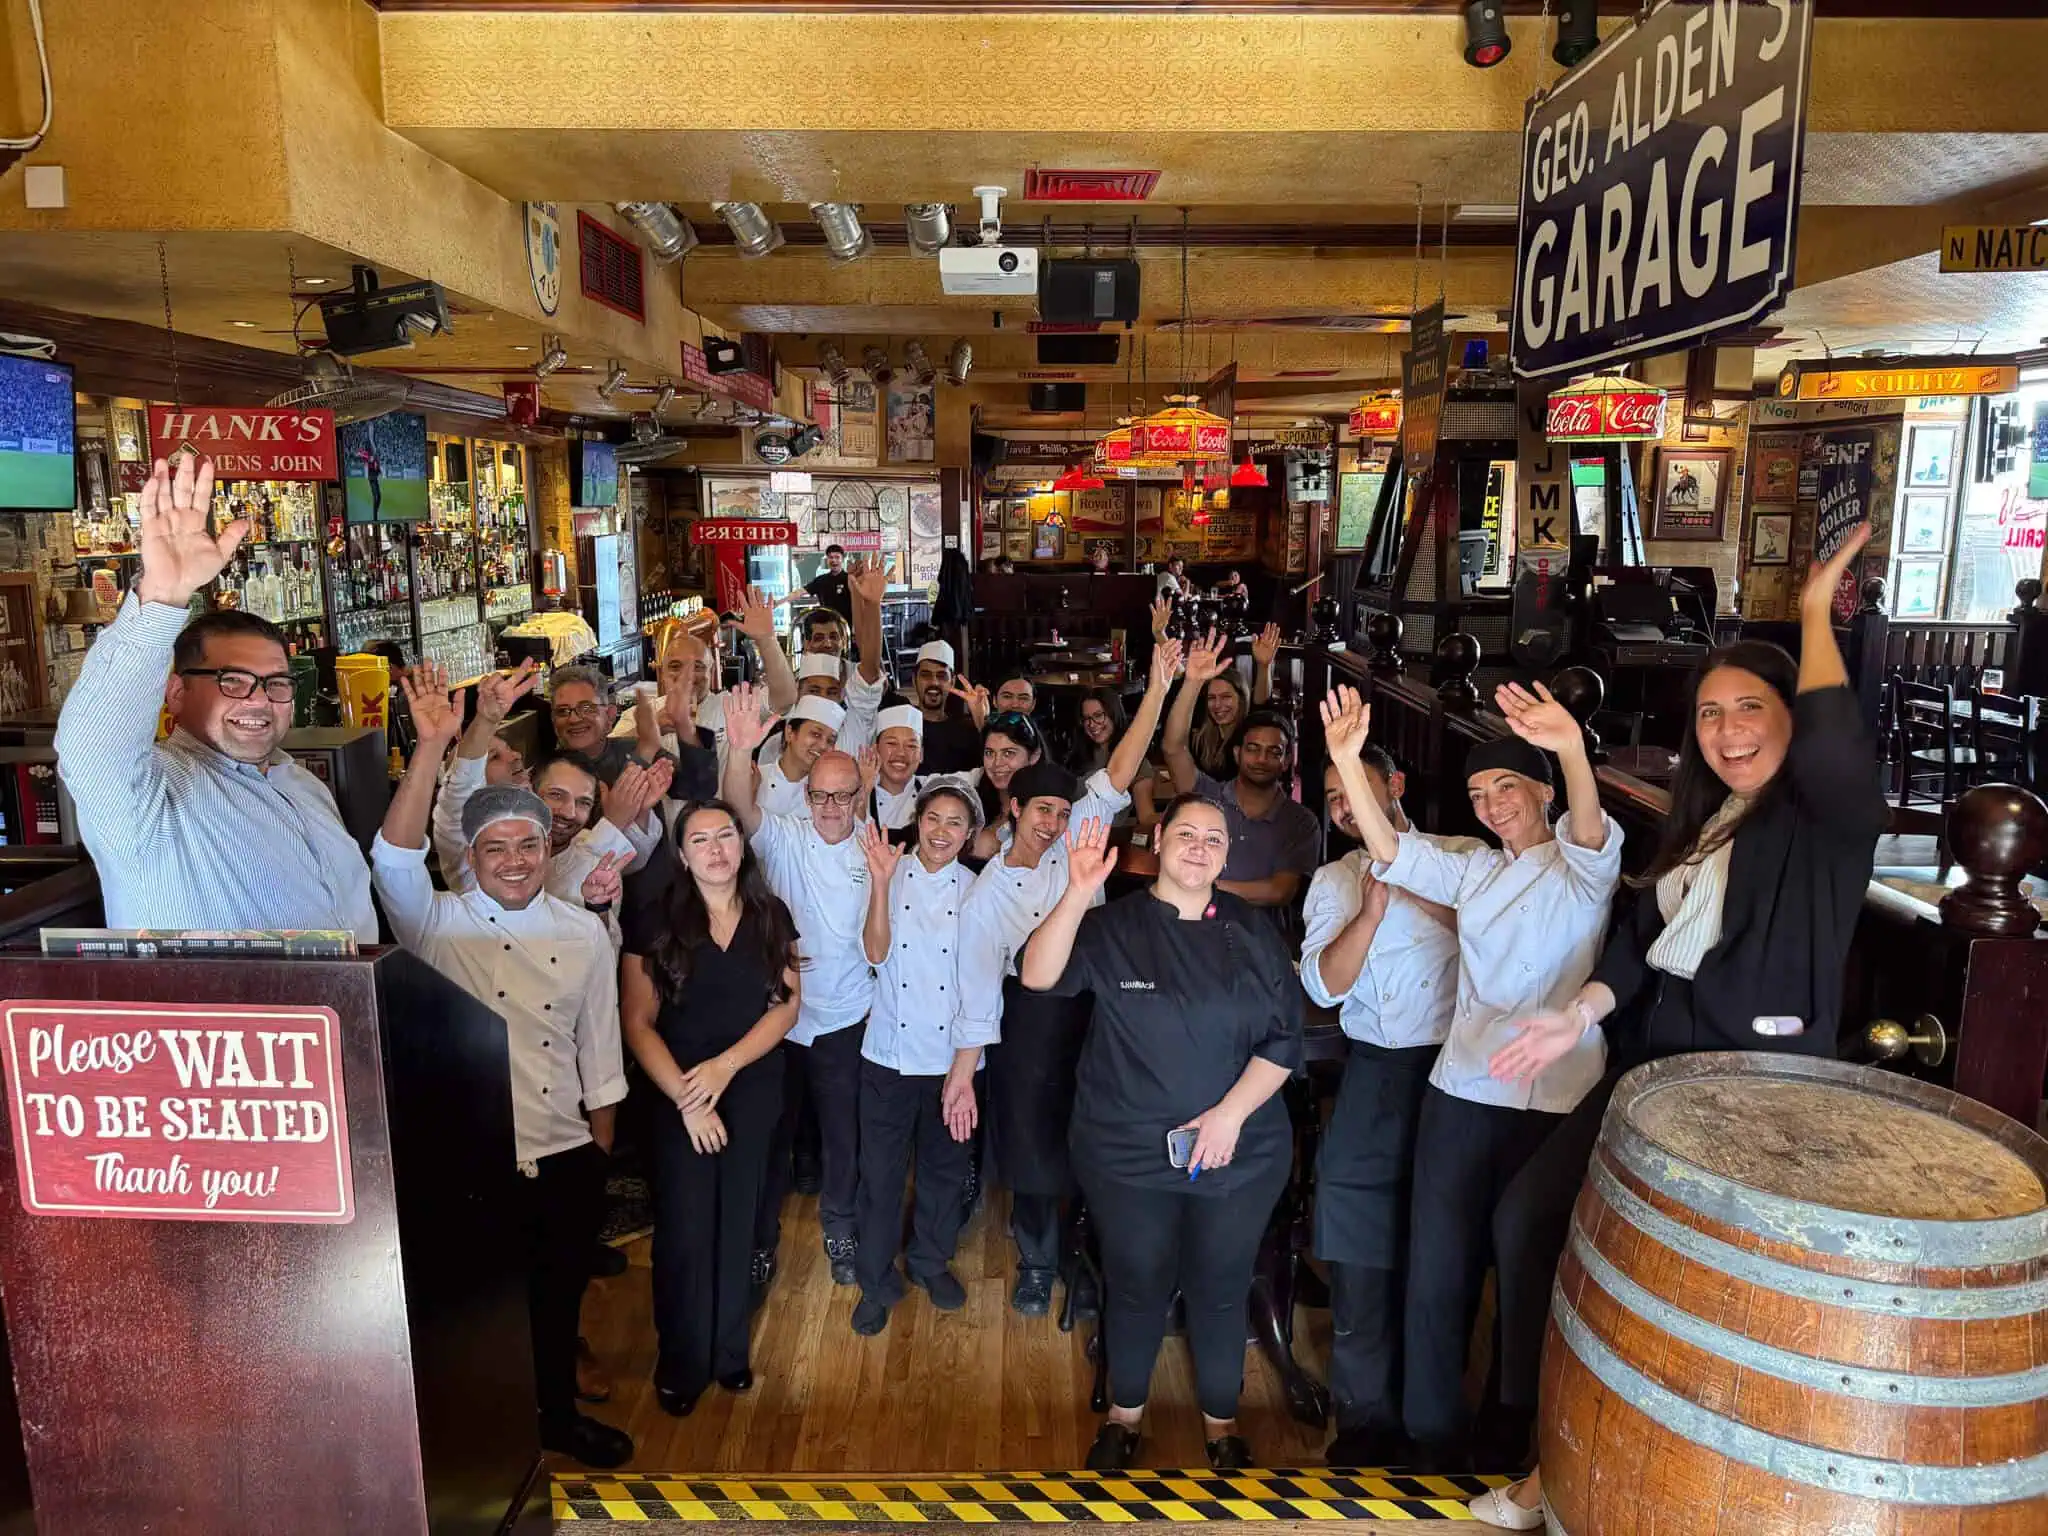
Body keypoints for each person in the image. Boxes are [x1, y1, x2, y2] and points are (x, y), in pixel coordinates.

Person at [1465, 528, 1887, 1529]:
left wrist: (1817, 604)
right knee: (1527, 1221)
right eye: (1708, 713)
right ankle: (1545, 1450)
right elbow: (1633, 943)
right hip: (1652, 1076)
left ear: (1790, 719)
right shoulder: (1699, 825)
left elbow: (1831, 739)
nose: (1727, 731)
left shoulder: (1822, 824)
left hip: (1754, 1097)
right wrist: (1575, 1010)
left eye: (1750, 709)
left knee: (1687, 1296)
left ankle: (1601, 1476)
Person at [1322, 676, 1622, 1473]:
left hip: (1554, 1099)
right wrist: (1349, 761)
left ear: (1542, 791)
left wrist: (1570, 748)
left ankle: (1510, 1432)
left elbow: (1588, 824)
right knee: (1437, 1268)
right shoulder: (1476, 872)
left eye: (1507, 789)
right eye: (1478, 793)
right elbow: (1389, 851)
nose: (1491, 806)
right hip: (1460, 1091)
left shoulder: (1582, 868)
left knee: (1527, 1273)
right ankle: (1431, 1435)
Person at [370, 663, 632, 1469]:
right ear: (471, 855)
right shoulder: (436, 925)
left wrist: (598, 1153)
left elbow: (601, 1051)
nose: (515, 860)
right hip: (468, 1156)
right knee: (478, 1304)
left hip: (560, 1150)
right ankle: (487, 1435)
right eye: (495, 848)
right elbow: (391, 859)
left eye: (527, 843)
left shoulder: (581, 928)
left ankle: (555, 1414)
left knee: (555, 1300)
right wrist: (431, 749)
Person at [1021, 806, 1302, 1471]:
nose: (1199, 848)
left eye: (1213, 839)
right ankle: (1124, 1414)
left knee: (1221, 1283)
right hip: (1127, 1151)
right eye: (1186, 834)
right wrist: (1077, 891)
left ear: (1227, 854)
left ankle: (1221, 1421)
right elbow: (1036, 976)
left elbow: (1284, 1040)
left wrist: (1229, 1115)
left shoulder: (1254, 931)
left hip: (1239, 1150)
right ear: (1157, 844)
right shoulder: (1110, 925)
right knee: (1137, 1278)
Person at [54, 454, 376, 940]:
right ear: (177, 692)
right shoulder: (149, 797)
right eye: (232, 681)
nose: (258, 700)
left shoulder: (304, 787)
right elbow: (94, 745)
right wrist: (163, 594)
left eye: (275, 683)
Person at [957, 642, 1176, 1316]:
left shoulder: (1080, 827)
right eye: (1041, 811)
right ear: (1014, 812)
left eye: (1061, 810)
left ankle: (1090, 1258)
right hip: (1023, 1018)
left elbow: (1120, 768)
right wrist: (964, 1070)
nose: (1054, 821)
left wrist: (1160, 686)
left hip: (1093, 1006)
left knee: (1094, 1130)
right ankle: (1038, 1260)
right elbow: (974, 984)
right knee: (1028, 1140)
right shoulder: (988, 888)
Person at [1307, 738, 1475, 1467]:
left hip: (1455, 1073)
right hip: (1372, 1072)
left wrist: (1414, 891)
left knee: (1440, 1255)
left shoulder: (1460, 855)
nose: (1346, 810)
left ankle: (1431, 1428)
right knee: (1358, 1247)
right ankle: (1364, 1420)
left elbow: (1501, 950)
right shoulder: (1332, 879)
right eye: (1335, 799)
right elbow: (1323, 986)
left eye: (1356, 790)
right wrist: (1371, 914)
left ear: (1396, 783)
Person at [620, 797, 801, 1417]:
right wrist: (688, 1101)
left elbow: (786, 1006)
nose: (717, 849)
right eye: (700, 840)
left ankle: (728, 1352)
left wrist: (727, 1066)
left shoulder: (770, 913)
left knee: (741, 1222)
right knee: (686, 1229)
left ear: (742, 845)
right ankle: (682, 1360)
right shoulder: (654, 918)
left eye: (726, 835)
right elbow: (638, 1023)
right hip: (679, 1090)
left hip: (749, 1085)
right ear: (681, 853)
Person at [722, 684, 871, 1290]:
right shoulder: (785, 834)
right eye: (820, 795)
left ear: (860, 799)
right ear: (806, 795)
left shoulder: (877, 849)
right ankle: (761, 1241)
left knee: (844, 1137)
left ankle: (840, 1228)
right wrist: (738, 751)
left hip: (846, 1019)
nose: (830, 806)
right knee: (768, 1137)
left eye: (842, 796)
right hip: (780, 1018)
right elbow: (739, 807)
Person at [848, 782, 989, 1334]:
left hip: (953, 1062)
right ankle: (875, 1278)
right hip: (887, 1054)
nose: (941, 832)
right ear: (918, 819)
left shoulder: (980, 892)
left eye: (955, 823)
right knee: (879, 1178)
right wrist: (881, 883)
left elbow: (982, 993)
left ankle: (931, 1261)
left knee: (945, 1172)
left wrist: (965, 1073)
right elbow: (876, 952)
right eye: (933, 818)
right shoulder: (887, 871)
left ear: (969, 834)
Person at [1163, 631, 1320, 910]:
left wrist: (1201, 886)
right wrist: (1192, 682)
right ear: (1237, 753)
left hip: (1257, 940)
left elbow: (1279, 891)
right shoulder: (1207, 795)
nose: (1261, 758)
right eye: (1252, 748)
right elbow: (1173, 748)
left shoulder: (1300, 822)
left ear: (1286, 762)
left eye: (1274, 752)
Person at [904, 639, 985, 775]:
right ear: (914, 680)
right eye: (926, 675)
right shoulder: (901, 726)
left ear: (952, 682)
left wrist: (981, 720)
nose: (934, 682)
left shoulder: (966, 731)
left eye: (942, 676)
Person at [804, 544, 854, 627]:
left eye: (837, 557)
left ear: (842, 559)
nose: (834, 560)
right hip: (826, 626)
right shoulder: (820, 580)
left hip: (847, 626)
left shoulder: (850, 579)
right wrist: (779, 602)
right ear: (827, 559)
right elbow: (800, 592)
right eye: (831, 557)